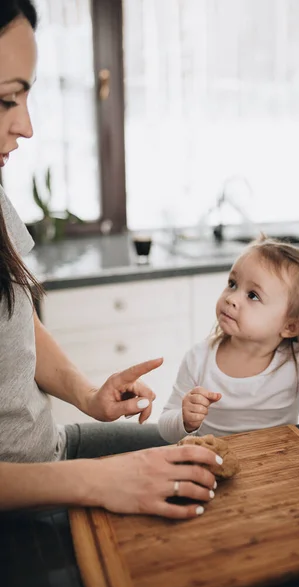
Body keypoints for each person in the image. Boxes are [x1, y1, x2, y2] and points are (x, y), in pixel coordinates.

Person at [0, 0, 221, 519]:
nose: (27, 126)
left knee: (204, 468)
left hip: (54, 453)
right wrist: (99, 481)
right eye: (7, 99)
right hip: (25, 504)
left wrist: (88, 395)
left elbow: (15, 319)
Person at [159, 235, 299, 485]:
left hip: (275, 474)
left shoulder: (298, 362)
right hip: (213, 476)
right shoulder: (199, 358)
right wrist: (185, 421)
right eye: (232, 283)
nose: (232, 297)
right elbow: (165, 427)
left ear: (290, 326)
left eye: (253, 295)